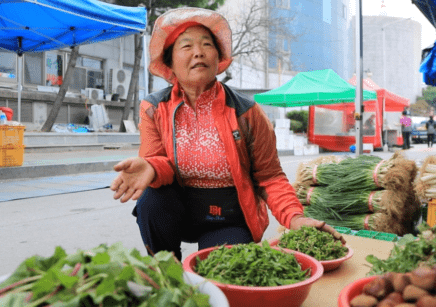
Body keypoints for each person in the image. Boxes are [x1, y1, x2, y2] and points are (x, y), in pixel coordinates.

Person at [110, 7, 344, 261]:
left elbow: (270, 177)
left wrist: (295, 218)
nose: (198, 51)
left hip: (230, 214)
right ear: (170, 63)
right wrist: (152, 168)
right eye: (186, 46)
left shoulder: (247, 112)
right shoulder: (154, 108)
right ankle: (168, 270)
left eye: (207, 44)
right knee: (151, 200)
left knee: (223, 275)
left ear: (218, 58)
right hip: (178, 209)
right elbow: (158, 159)